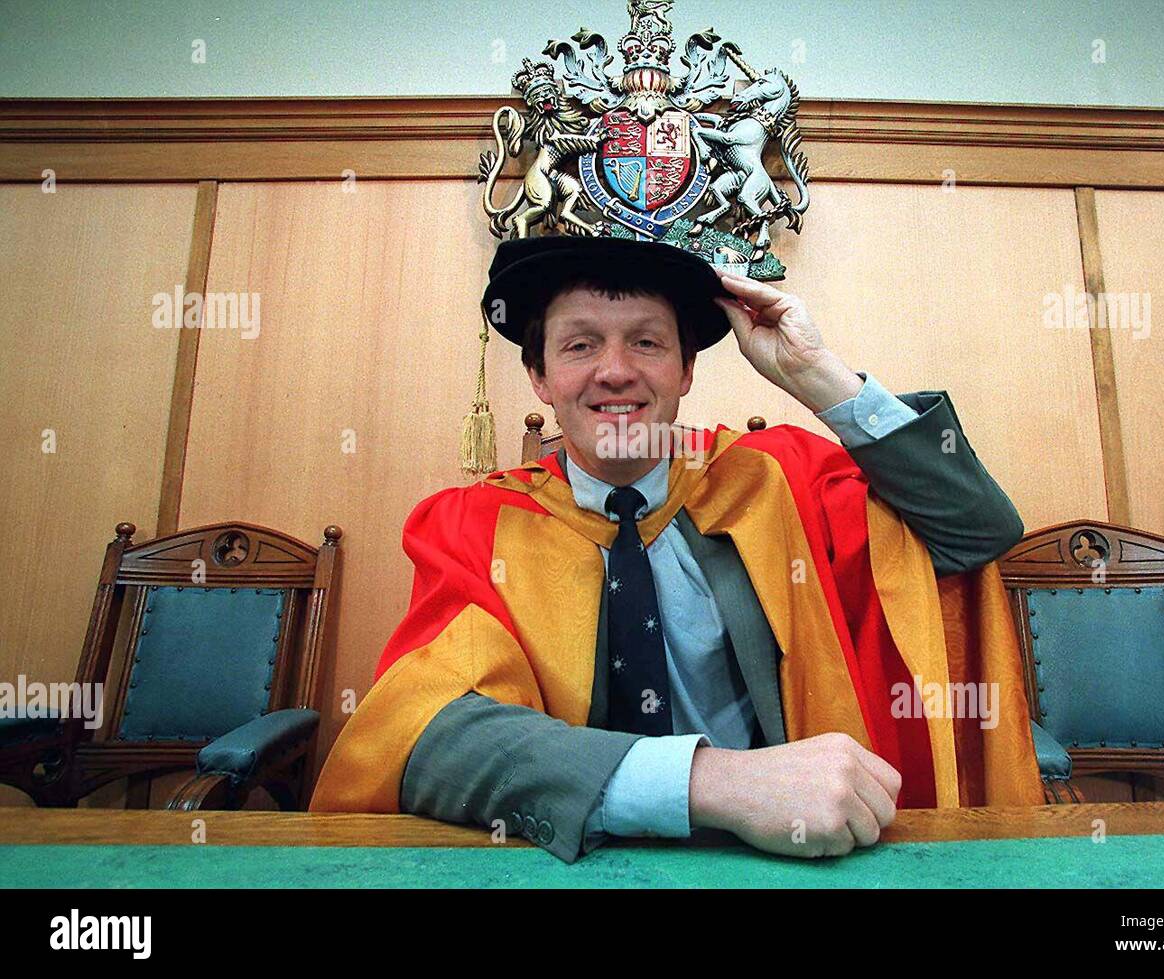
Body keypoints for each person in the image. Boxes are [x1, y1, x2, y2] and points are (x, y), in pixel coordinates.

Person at [309, 235, 1042, 862]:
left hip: (779, 856)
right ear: (540, 377)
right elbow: (433, 737)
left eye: (648, 342)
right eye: (580, 344)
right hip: (572, 856)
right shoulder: (473, 524)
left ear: (687, 372)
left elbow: (974, 528)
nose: (616, 370)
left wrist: (818, 378)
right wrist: (711, 782)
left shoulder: (773, 482)